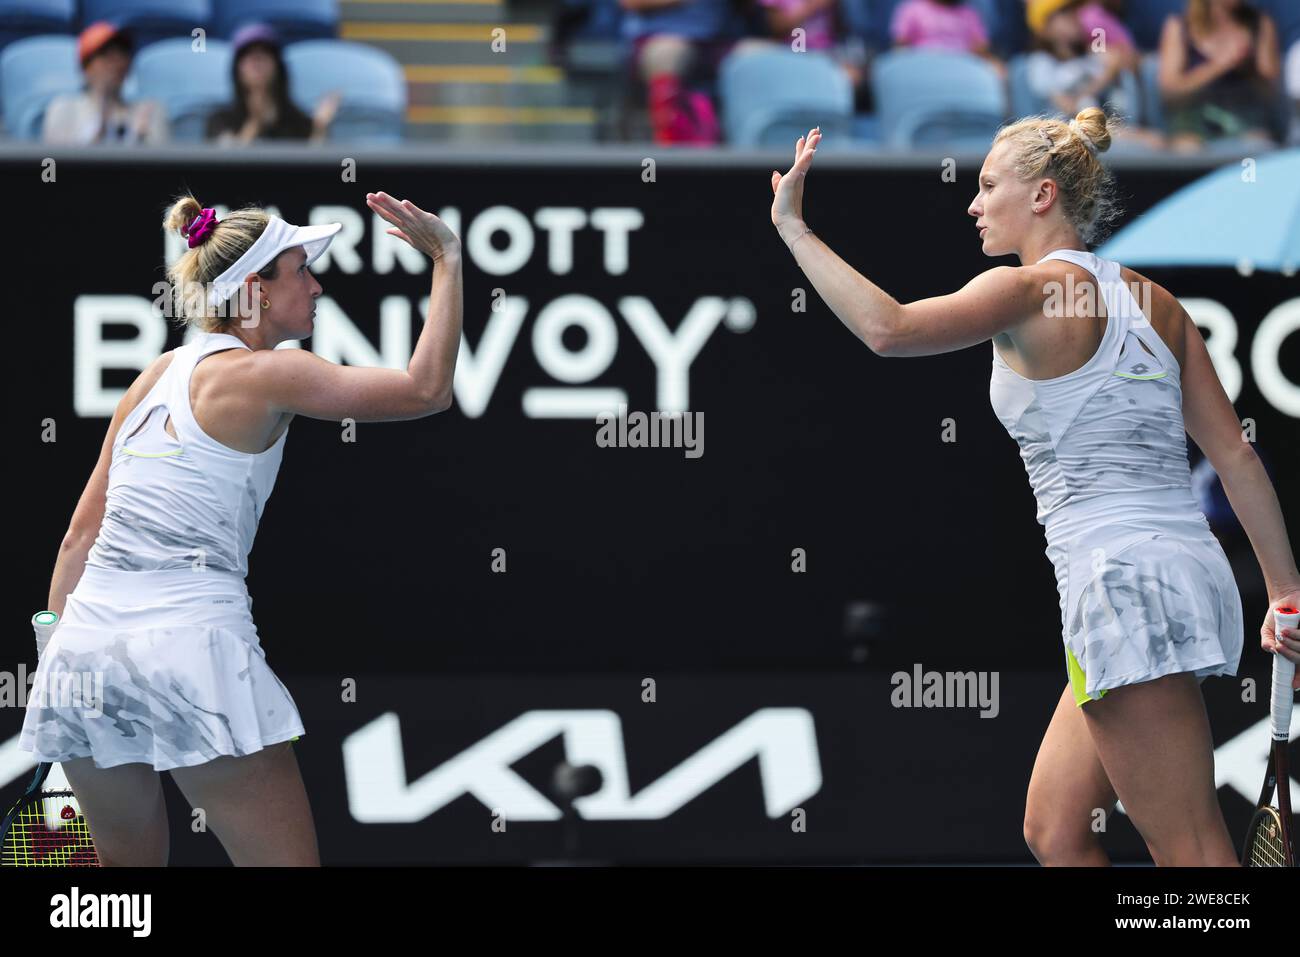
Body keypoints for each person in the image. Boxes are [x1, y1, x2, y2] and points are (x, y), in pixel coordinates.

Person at [768, 112, 1300, 865]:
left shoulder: (1025, 291)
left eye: (988, 186)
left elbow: (886, 328)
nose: (973, 202)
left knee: (1191, 851)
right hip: (1175, 571)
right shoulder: (1157, 304)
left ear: (1043, 194)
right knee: (1055, 828)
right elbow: (1238, 460)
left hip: (1122, 585)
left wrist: (794, 230)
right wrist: (1285, 595)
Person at [18, 191, 463, 865]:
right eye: (300, 270)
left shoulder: (153, 377)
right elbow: (426, 389)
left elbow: (79, 537)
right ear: (254, 288)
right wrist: (447, 260)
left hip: (83, 657)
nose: (316, 284)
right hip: (193, 653)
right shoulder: (273, 372)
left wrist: (55, 660)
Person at [1157, 0, 1282, 151]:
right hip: (1193, 121)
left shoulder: (1260, 23)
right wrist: (1218, 66)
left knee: (1258, 145)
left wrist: (1249, 67)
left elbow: (1271, 92)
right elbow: (1170, 92)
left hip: (1244, 118)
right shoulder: (1179, 26)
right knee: (1188, 148)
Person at [205, 23, 340, 145]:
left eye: (265, 53)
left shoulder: (300, 123)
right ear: (237, 69)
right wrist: (255, 124)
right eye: (248, 55)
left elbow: (311, 167)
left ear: (278, 67)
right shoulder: (220, 120)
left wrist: (319, 128)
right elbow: (225, 166)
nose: (257, 61)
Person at [42, 21, 168, 145]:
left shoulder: (148, 112)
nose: (117, 62)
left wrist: (141, 140)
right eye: (106, 55)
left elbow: (162, 162)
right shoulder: (65, 110)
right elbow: (56, 162)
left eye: (123, 53)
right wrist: (99, 129)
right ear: (86, 67)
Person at [890, 0, 1006, 77]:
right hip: (923, 68)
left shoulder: (968, 12)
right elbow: (901, 44)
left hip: (963, 68)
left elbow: (981, 47)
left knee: (998, 69)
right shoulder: (912, 9)